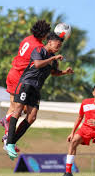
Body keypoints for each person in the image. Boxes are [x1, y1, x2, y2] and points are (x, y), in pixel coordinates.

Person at [6, 32, 74, 160]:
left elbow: (54, 73)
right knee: (18, 110)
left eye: (60, 46)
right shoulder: (39, 50)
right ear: (49, 42)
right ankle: (9, 143)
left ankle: (11, 141)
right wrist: (52, 59)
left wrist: (65, 72)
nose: (58, 47)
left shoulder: (53, 59)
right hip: (26, 84)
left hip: (36, 88)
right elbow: (37, 64)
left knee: (32, 117)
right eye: (57, 44)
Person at [0, 20, 51, 150]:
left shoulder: (27, 39)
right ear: (44, 34)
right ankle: (8, 138)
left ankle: (8, 133)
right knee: (18, 110)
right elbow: (39, 62)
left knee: (18, 108)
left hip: (13, 73)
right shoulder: (38, 46)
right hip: (20, 77)